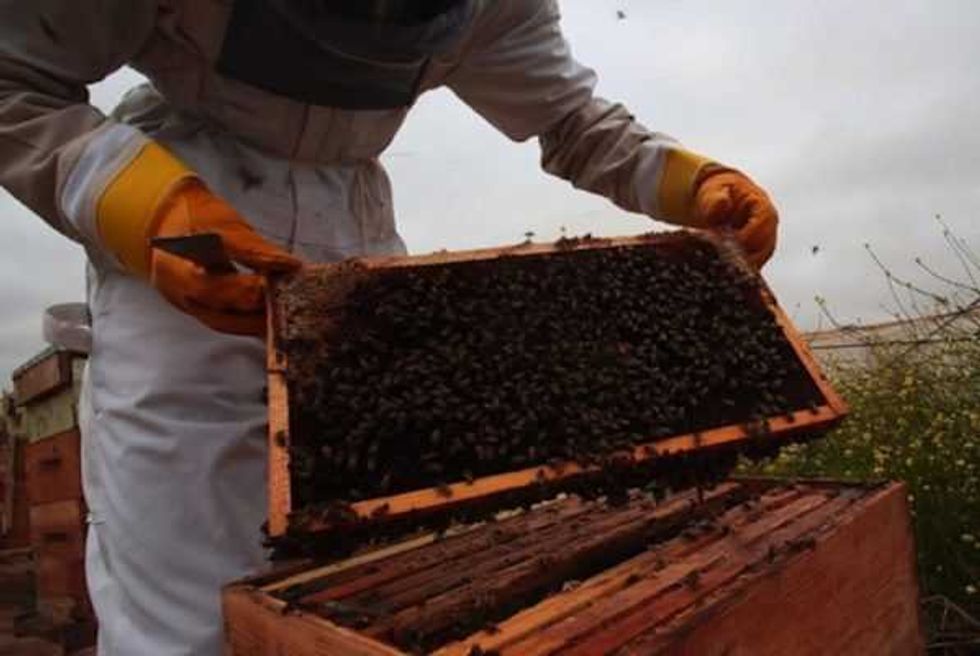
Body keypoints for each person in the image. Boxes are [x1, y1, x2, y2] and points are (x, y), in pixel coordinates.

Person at [0, 1, 778, 653]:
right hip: (184, 226)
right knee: (191, 614)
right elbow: (14, 78)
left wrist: (688, 179)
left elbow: (570, 118)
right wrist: (137, 198)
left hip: (360, 248)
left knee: (375, 582)